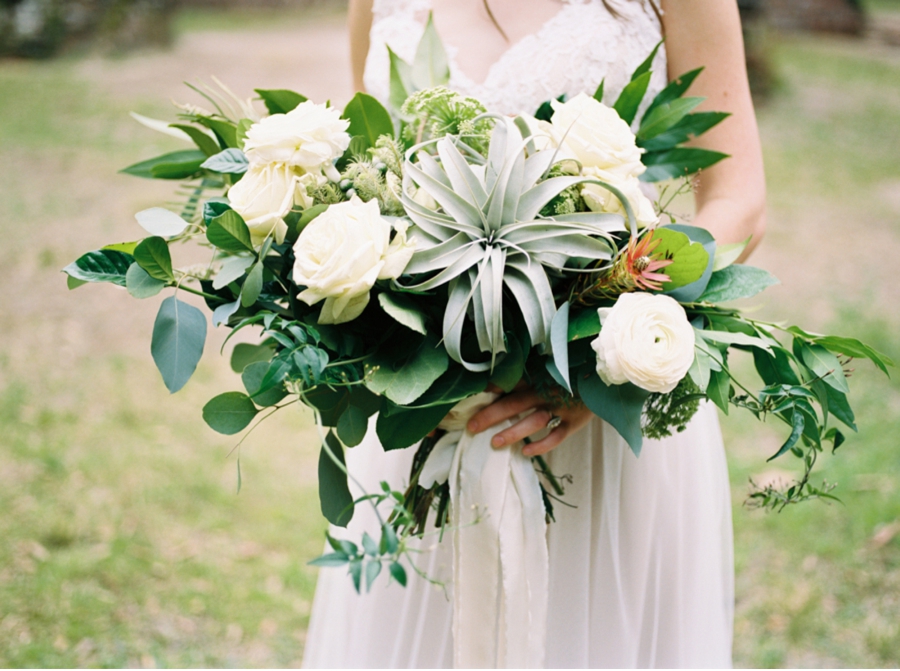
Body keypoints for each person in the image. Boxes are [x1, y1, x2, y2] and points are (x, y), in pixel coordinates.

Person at [303, 0, 766, 667]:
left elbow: (739, 199)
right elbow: (359, 179)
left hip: (605, 415)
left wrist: (606, 346)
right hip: (424, 421)